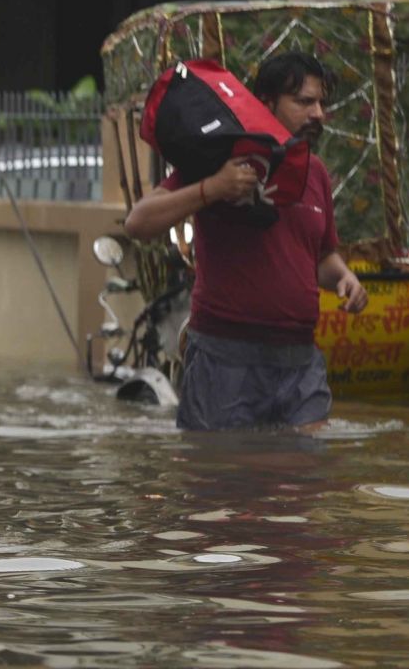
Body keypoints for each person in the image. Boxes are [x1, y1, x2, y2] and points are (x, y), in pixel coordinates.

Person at [124, 51, 368, 431]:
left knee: (306, 478)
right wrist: (213, 187)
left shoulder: (315, 173)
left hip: (300, 361)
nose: (318, 113)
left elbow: (319, 257)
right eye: (304, 102)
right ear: (267, 104)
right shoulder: (223, 160)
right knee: (223, 479)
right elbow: (137, 223)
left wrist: (343, 278)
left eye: (321, 103)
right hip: (225, 359)